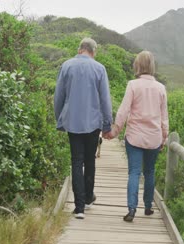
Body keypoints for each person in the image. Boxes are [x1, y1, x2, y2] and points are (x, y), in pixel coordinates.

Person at [54, 38, 113, 219]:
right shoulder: (99, 69)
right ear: (93, 52)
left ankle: (79, 207)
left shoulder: (66, 66)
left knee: (76, 161)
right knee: (90, 161)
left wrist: (60, 119)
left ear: (80, 49)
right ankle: (88, 197)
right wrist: (107, 124)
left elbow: (59, 96)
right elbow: (105, 99)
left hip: (73, 122)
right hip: (93, 123)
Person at [107, 51, 169, 222]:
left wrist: (116, 129)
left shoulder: (133, 85)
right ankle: (148, 207)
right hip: (154, 137)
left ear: (138, 65)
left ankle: (132, 209)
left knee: (134, 172)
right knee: (149, 172)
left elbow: (124, 110)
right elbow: (164, 117)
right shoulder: (161, 88)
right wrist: (164, 136)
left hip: (134, 136)